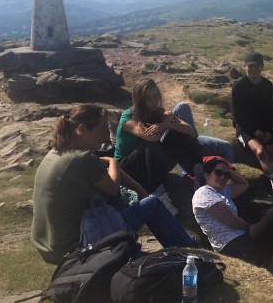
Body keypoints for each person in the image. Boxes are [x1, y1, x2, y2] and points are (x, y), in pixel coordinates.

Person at [31, 104, 194, 265]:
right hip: (76, 247)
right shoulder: (83, 159)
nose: (106, 135)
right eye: (102, 129)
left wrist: (139, 189)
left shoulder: (56, 153)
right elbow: (113, 188)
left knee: (119, 200)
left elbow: (105, 174)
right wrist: (113, 161)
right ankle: (188, 248)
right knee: (152, 204)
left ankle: (132, 247)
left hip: (49, 248)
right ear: (82, 129)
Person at [191, 155, 273, 274]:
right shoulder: (203, 193)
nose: (223, 177)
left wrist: (227, 169)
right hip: (231, 245)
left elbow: (244, 184)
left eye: (226, 175)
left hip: (243, 241)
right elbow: (231, 221)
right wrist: (250, 228)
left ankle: (263, 267)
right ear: (206, 174)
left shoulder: (223, 190)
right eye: (218, 173)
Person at [114, 79, 205, 214]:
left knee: (177, 134)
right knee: (150, 144)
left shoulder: (158, 112)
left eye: (156, 96)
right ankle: (159, 194)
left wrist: (167, 124)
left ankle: (199, 176)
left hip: (149, 163)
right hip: (127, 168)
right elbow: (152, 137)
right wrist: (165, 122)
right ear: (139, 99)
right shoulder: (128, 117)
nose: (153, 101)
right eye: (148, 98)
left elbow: (188, 129)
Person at [231, 51, 273, 198]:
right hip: (245, 128)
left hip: (265, 126)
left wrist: (268, 129)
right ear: (245, 67)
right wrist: (255, 132)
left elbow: (272, 110)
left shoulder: (267, 85)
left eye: (257, 66)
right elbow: (238, 115)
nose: (254, 69)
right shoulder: (239, 86)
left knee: (272, 151)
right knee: (261, 151)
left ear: (262, 67)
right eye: (250, 66)